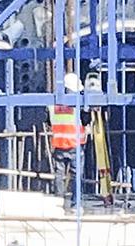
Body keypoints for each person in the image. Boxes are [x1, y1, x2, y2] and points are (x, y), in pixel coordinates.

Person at [50, 72, 89, 209]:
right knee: (77, 175)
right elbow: (86, 121)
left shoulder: (53, 103)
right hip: (75, 145)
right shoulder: (77, 103)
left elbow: (49, 121)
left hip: (59, 145)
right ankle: (75, 204)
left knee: (59, 175)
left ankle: (58, 202)